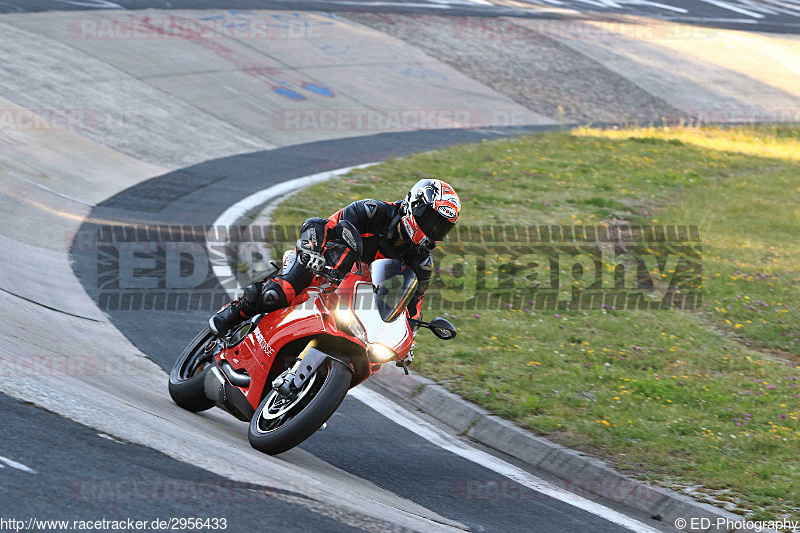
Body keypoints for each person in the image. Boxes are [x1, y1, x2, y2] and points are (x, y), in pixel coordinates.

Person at [208, 179, 461, 358]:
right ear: (413, 205)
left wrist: (409, 340)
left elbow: (412, 308)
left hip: (356, 294)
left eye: (441, 227)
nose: (432, 230)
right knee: (280, 293)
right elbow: (322, 225)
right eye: (430, 220)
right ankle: (234, 313)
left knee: (372, 351)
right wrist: (312, 251)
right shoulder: (373, 211)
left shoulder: (421, 264)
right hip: (322, 264)